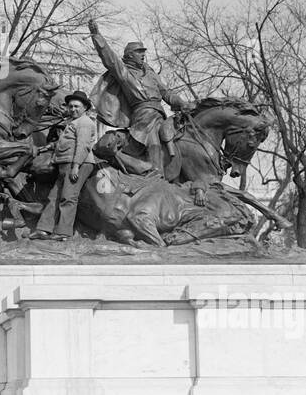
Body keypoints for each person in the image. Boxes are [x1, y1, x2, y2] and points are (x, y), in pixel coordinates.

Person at [88, 18, 188, 169]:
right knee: (153, 143)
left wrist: (181, 103)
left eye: (143, 52)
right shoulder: (124, 72)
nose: (143, 55)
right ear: (129, 55)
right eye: (138, 52)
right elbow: (110, 59)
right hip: (143, 116)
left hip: (160, 115)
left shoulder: (151, 73)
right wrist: (97, 36)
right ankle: (155, 173)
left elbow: (166, 93)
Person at [30, 91, 98, 241]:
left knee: (68, 197)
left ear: (85, 107)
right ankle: (43, 229)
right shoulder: (72, 123)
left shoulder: (85, 123)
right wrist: (45, 148)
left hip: (78, 163)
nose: (73, 109)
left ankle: (63, 233)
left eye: (77, 106)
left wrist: (76, 166)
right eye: (71, 106)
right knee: (53, 197)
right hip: (65, 163)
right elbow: (64, 143)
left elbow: (83, 146)